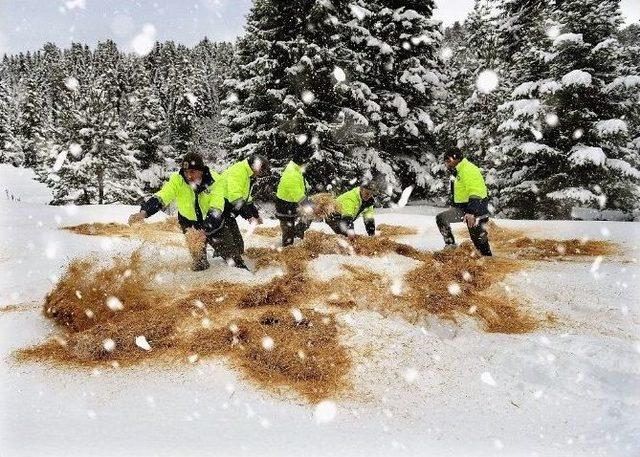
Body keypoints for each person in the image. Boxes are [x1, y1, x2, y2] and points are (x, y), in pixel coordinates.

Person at [128, 152, 226, 271]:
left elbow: (216, 209)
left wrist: (204, 231)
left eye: (192, 172)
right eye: (186, 172)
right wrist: (144, 212)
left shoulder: (215, 181)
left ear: (201, 170)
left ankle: (220, 251)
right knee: (200, 263)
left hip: (212, 222)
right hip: (189, 223)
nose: (188, 176)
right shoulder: (178, 179)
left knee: (233, 256)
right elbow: (162, 196)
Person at [215, 154, 270, 269]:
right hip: (219, 209)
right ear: (255, 166)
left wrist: (255, 214)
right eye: (262, 170)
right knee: (231, 247)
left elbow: (247, 199)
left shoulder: (248, 174)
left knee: (238, 245)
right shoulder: (239, 171)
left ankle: (222, 255)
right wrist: (249, 217)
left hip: (228, 212)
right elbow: (236, 198)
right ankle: (230, 268)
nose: (262, 173)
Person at [436, 149, 492, 256]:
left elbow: (475, 191)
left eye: (448, 160)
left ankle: (487, 260)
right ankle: (450, 247)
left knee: (479, 240)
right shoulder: (458, 170)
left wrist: (471, 212)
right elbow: (459, 191)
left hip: (476, 209)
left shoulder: (468, 170)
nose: (446, 163)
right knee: (442, 218)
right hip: (464, 209)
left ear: (456, 158)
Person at [274, 144, 312, 247]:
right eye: (306, 161)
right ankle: (287, 249)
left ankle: (297, 232)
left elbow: (302, 183)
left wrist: (308, 189)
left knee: (307, 218)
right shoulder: (292, 173)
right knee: (288, 230)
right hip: (284, 205)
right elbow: (296, 193)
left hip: (292, 203)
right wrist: (307, 204)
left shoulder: (296, 169)